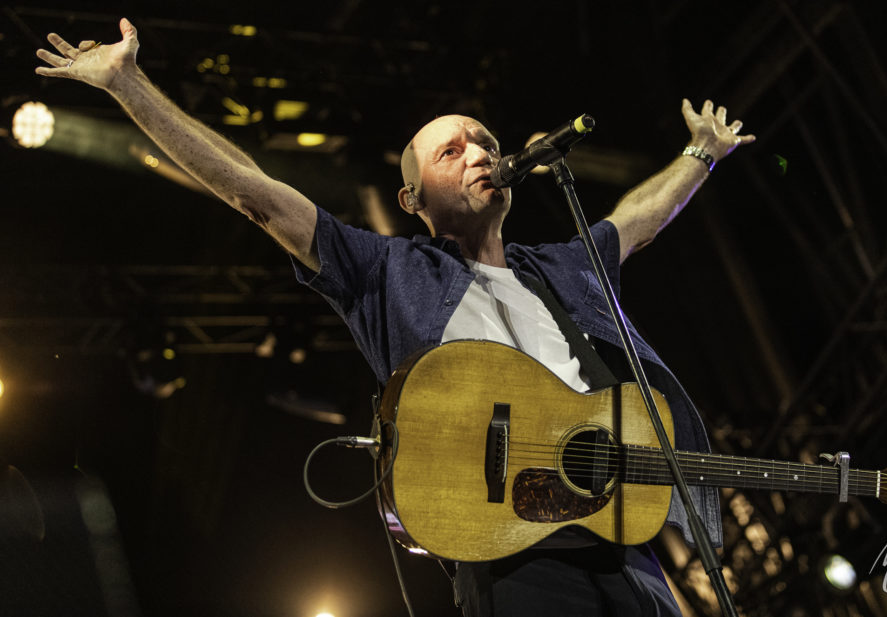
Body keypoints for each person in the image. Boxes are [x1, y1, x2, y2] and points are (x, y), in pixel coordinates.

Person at [37, 18, 755, 617]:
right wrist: (130, 87)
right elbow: (252, 192)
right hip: (510, 562)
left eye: (483, 139)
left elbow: (637, 220)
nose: (480, 151)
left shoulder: (562, 267)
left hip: (624, 542)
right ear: (412, 199)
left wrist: (702, 153)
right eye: (452, 149)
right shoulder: (385, 271)